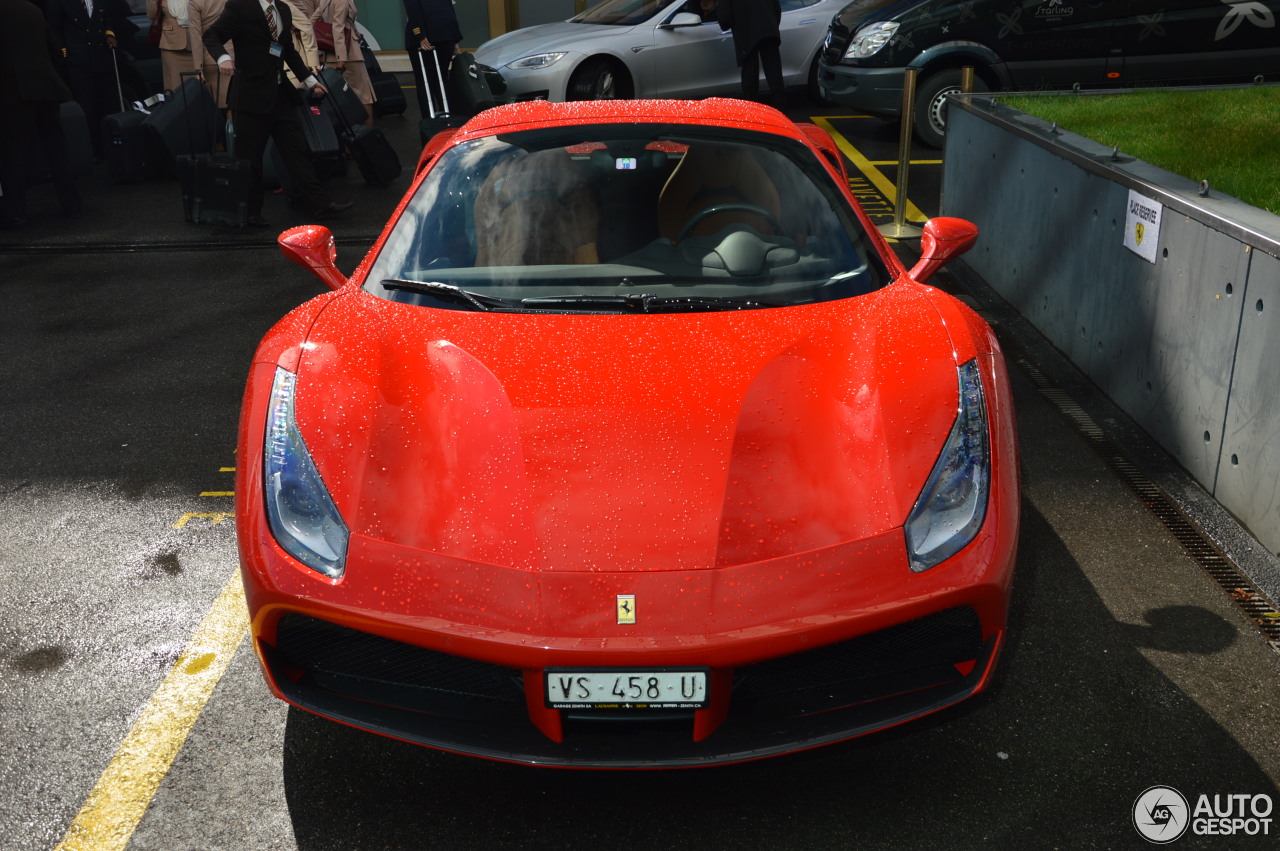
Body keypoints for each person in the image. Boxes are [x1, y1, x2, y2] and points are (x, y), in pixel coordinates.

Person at [202, 0, 353, 225]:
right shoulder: (241, 6)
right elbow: (211, 35)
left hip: (280, 94)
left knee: (296, 151)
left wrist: (310, 80)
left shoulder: (282, 9)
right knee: (249, 158)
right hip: (250, 98)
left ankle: (321, 204)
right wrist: (223, 58)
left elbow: (287, 51)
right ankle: (249, 213)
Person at [1, 0, 82, 227]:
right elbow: (56, 50)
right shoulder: (32, 9)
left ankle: (15, 212)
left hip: (14, 92)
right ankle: (72, 205)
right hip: (48, 87)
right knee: (56, 150)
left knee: (14, 154)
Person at [44, 0, 137, 158]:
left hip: (102, 58)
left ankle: (111, 148)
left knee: (108, 103)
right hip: (78, 61)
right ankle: (92, 150)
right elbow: (55, 28)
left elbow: (106, 19)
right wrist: (65, 54)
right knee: (87, 106)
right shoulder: (61, 3)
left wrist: (109, 34)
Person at [314, 0, 374, 125]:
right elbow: (338, 27)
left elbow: (313, 19)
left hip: (330, 54)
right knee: (364, 97)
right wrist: (341, 58)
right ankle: (368, 138)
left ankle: (349, 138)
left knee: (340, 99)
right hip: (348, 54)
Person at [402, 0, 460, 118]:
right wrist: (455, 37)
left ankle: (431, 120)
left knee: (426, 81)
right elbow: (449, 9)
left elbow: (412, 9)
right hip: (445, 35)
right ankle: (447, 117)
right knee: (441, 79)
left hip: (428, 38)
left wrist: (420, 35)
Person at [717, 0, 783, 104]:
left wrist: (726, 23)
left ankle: (752, 110)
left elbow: (724, 16)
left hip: (746, 33)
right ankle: (781, 109)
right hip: (768, 29)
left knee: (750, 75)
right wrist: (773, 24)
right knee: (774, 73)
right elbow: (776, 8)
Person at [187, 0, 232, 109]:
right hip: (233, 56)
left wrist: (198, 68)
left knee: (218, 108)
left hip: (211, 58)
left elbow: (196, 36)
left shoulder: (195, 2)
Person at [147, 0, 192, 92]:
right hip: (171, 46)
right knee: (175, 87)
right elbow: (151, 15)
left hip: (197, 44)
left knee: (199, 87)